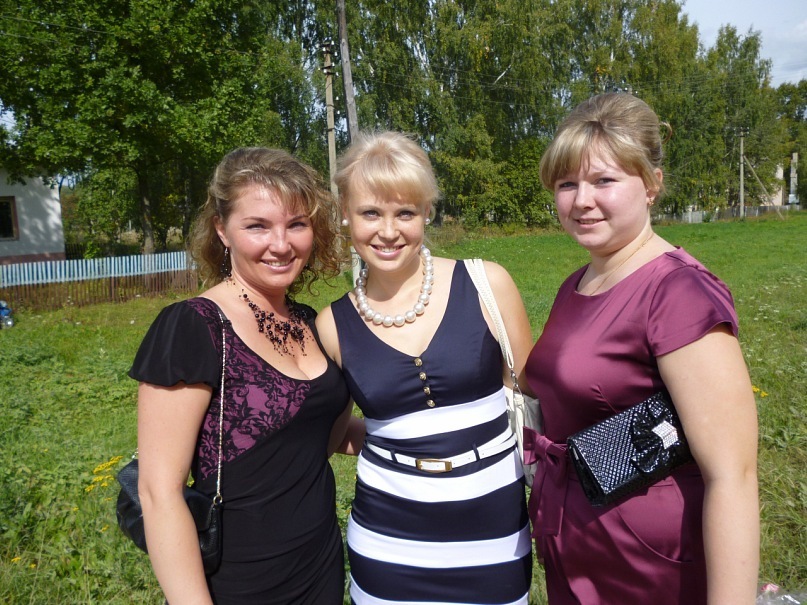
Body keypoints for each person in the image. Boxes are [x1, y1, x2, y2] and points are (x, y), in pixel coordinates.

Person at [524, 92, 759, 604]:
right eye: (567, 184)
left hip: (647, 567)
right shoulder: (576, 283)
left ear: (652, 184)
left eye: (604, 180)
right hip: (579, 544)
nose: (581, 200)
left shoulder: (678, 293)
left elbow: (733, 476)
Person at [317, 131, 534, 605]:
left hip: (496, 532)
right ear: (345, 215)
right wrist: (397, 443)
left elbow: (534, 398)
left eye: (405, 213)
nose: (388, 231)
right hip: (388, 543)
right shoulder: (332, 326)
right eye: (370, 213)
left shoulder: (487, 284)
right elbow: (331, 435)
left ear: (426, 212)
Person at [130, 147, 352, 604]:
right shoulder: (195, 326)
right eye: (257, 226)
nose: (281, 244)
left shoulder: (308, 321)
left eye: (297, 224)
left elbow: (316, 437)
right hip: (241, 582)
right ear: (222, 230)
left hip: (320, 565)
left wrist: (429, 434)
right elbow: (158, 492)